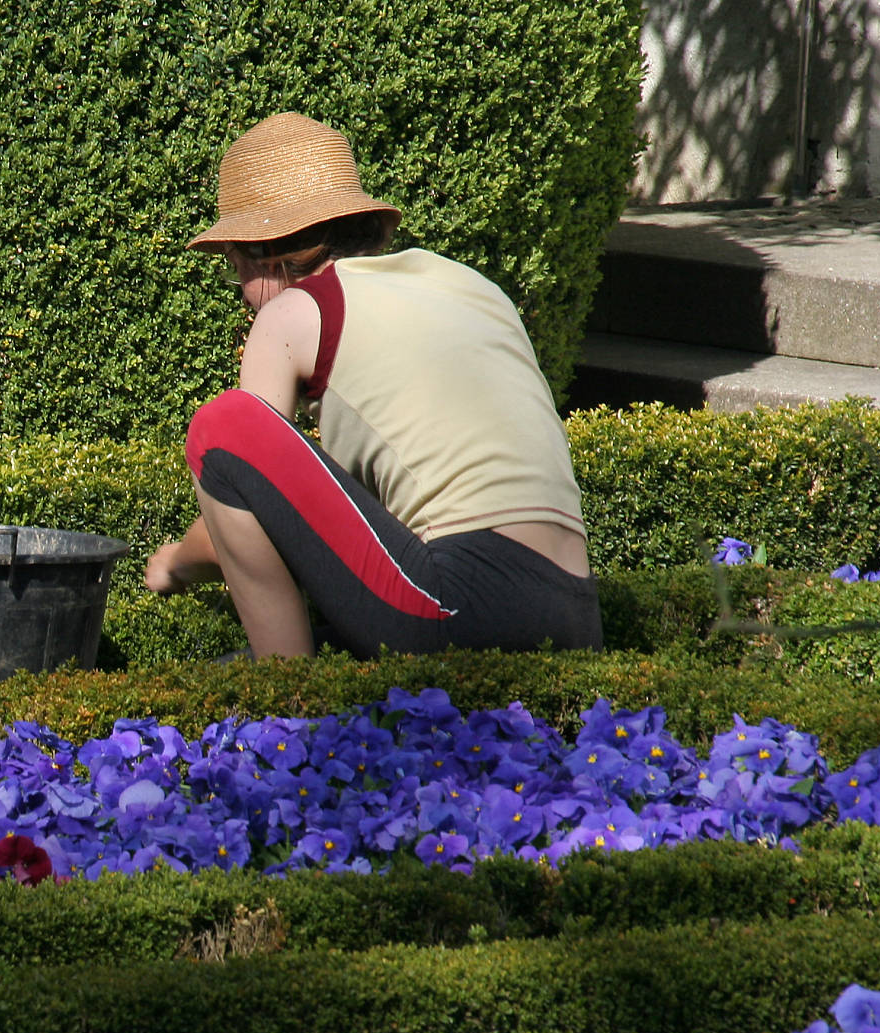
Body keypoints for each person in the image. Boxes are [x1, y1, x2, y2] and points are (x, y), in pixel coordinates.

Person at [144, 112, 602, 660]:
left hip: (456, 604)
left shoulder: (293, 312)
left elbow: (255, 495)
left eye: (233, 268)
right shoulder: (469, 285)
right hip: (576, 616)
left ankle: (287, 707)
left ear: (260, 256)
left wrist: (176, 561)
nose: (241, 291)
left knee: (225, 427)